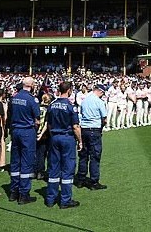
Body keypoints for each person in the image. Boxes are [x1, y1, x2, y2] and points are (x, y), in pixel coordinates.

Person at [45, 81, 82, 209]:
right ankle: (65, 200)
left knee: (53, 168)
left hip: (54, 137)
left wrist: (53, 135)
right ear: (69, 90)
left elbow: (49, 124)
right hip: (67, 138)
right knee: (67, 169)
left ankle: (50, 199)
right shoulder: (71, 106)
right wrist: (80, 141)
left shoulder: (52, 105)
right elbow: (75, 127)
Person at [8, 76, 40, 204]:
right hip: (27, 131)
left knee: (15, 162)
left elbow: (9, 114)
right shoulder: (32, 99)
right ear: (32, 86)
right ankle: (24, 194)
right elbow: (37, 119)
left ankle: (13, 191)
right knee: (26, 162)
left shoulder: (14, 98)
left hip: (15, 130)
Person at [74, 84, 108, 190]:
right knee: (95, 156)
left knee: (83, 155)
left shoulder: (85, 101)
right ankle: (94, 181)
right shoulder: (99, 102)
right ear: (101, 92)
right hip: (94, 129)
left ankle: (81, 179)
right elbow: (104, 119)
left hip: (84, 129)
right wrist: (101, 127)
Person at [35, 93, 52, 180]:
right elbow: (47, 122)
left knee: (39, 153)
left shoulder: (37, 107)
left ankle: (38, 171)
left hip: (37, 131)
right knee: (49, 153)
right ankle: (46, 171)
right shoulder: (49, 109)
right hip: (46, 132)